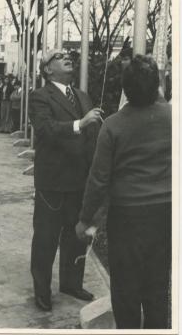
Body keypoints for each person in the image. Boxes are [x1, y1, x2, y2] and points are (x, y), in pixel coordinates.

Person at [76, 54, 171, 329]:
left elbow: (98, 180)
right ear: (157, 86)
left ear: (124, 90)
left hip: (127, 217)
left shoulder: (113, 125)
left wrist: (85, 219)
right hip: (164, 214)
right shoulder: (172, 119)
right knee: (157, 285)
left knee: (126, 288)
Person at [29, 49, 103, 312]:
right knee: (46, 238)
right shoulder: (39, 96)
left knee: (77, 236)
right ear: (47, 69)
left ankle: (71, 283)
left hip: (79, 180)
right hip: (53, 182)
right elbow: (46, 130)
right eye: (58, 56)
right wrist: (79, 124)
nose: (67, 57)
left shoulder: (82, 96)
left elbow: (91, 136)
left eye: (67, 55)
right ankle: (42, 290)